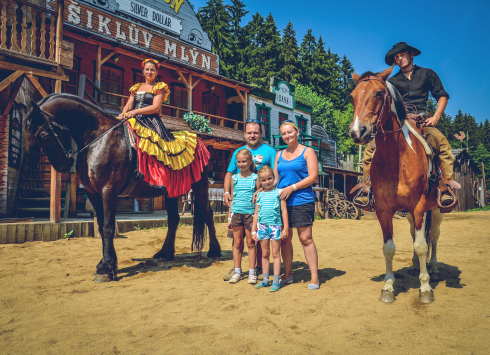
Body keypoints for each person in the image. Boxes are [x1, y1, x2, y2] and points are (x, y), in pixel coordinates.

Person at [354, 42, 455, 208]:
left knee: (442, 143)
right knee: (370, 150)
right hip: (400, 122)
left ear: (411, 55)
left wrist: (436, 117)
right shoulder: (391, 82)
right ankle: (367, 188)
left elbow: (442, 96)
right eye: (396, 57)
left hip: (423, 121)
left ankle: (445, 187)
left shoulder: (427, 74)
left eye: (402, 55)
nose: (399, 59)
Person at [117, 58, 209, 198]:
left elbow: (155, 107)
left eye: (152, 70)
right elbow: (128, 105)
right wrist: (123, 114)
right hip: (133, 119)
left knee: (155, 147)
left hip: (150, 121)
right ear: (143, 71)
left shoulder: (159, 87)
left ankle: (156, 176)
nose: (149, 72)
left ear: (156, 72)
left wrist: (135, 112)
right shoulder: (136, 87)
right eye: (147, 69)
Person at [222, 119, 276, 281]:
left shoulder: (270, 151)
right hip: (239, 203)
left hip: (260, 203)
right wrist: (226, 192)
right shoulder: (238, 152)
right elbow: (229, 173)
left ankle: (257, 267)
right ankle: (237, 268)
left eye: (255, 132)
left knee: (257, 238)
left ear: (261, 134)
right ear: (245, 134)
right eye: (249, 132)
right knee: (237, 240)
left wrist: (265, 192)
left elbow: (274, 175)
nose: (252, 135)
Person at [275, 120, 320, 290]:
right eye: (284, 133)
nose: (287, 136)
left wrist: (292, 187)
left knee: (305, 238)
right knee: (285, 239)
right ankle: (287, 275)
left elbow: (313, 177)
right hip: (282, 202)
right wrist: (262, 191)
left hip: (302, 200)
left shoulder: (308, 152)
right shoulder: (279, 155)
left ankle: (314, 277)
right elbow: (275, 179)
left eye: (290, 132)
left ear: (297, 132)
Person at [252, 165, 289, 292]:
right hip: (262, 227)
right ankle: (265, 280)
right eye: (263, 180)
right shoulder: (259, 195)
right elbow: (256, 214)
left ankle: (276, 280)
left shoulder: (279, 192)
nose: (267, 182)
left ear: (274, 178)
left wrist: (286, 228)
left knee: (275, 254)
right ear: (260, 181)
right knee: (265, 253)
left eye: (269, 178)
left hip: (275, 226)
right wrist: (253, 230)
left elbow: (284, 211)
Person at [227, 149, 258, 284]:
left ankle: (252, 272)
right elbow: (232, 198)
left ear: (250, 161)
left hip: (250, 214)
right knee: (237, 243)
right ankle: (237, 271)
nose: (241, 164)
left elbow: (258, 198)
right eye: (238, 162)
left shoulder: (255, 178)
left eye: (244, 161)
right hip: (236, 214)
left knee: (251, 243)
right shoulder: (234, 178)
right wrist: (229, 217)